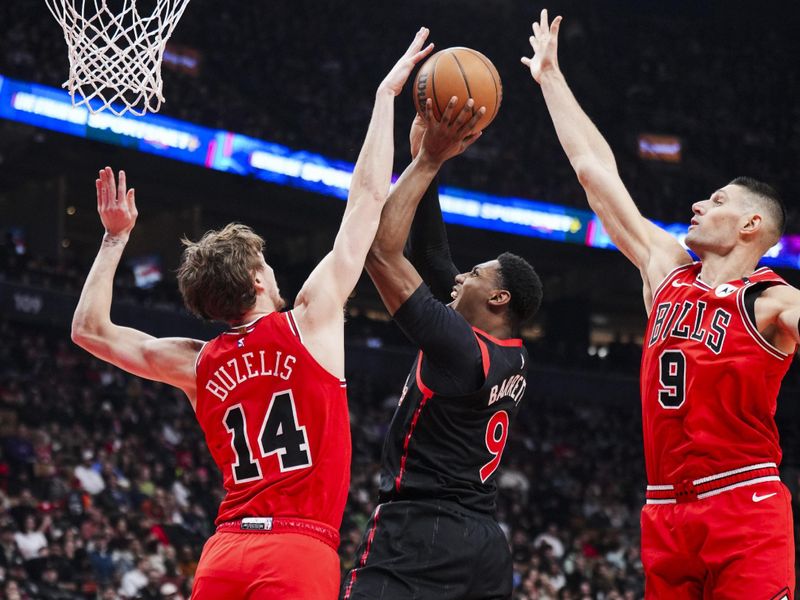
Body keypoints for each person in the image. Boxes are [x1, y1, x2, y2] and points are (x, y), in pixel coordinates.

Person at [70, 28, 435, 600]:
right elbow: (366, 201)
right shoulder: (310, 321)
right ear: (259, 279)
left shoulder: (197, 363)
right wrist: (384, 99)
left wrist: (115, 241)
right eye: (266, 262)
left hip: (224, 555)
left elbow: (88, 330)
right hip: (297, 551)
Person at [524, 9, 798, 599]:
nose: (699, 204)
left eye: (716, 198)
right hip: (664, 508)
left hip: (743, 504)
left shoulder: (775, 301)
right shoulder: (667, 271)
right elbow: (596, 174)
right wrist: (551, 78)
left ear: (752, 223)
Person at [341, 99, 543, 599]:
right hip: (483, 543)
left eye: (474, 274)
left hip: (423, 532)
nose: (460, 276)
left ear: (498, 297)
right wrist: (424, 161)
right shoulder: (509, 351)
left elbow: (381, 251)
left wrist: (428, 161)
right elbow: (431, 255)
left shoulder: (460, 348)